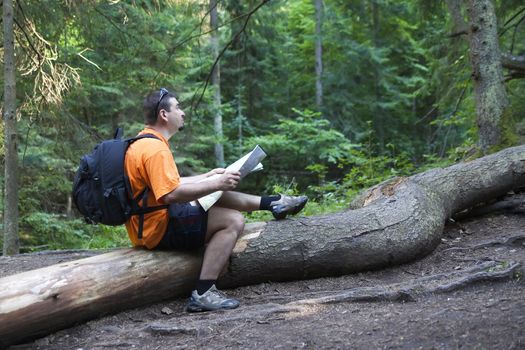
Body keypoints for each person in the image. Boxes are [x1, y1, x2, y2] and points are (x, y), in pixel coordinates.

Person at [124, 88, 308, 313]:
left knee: (213, 192)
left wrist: (209, 176)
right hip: (158, 228)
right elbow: (169, 194)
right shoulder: (155, 149)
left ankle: (273, 203)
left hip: (150, 222)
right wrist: (218, 184)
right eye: (178, 107)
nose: (182, 113)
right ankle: (203, 292)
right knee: (232, 220)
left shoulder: (144, 142)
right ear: (164, 114)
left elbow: (169, 183)